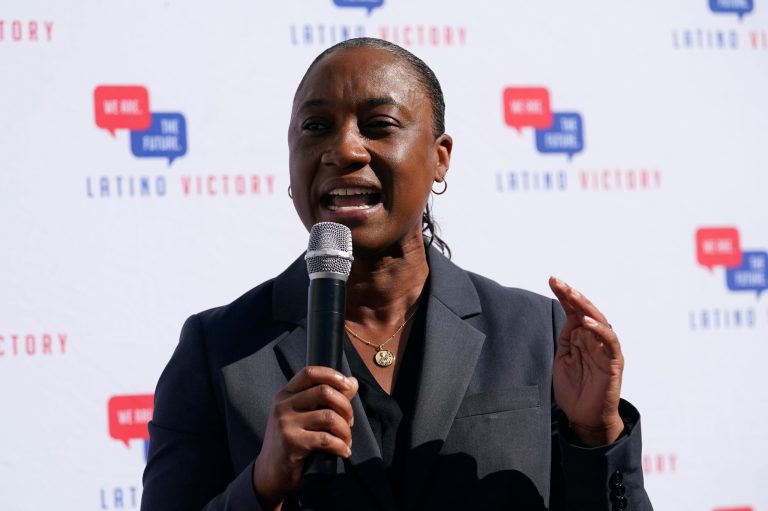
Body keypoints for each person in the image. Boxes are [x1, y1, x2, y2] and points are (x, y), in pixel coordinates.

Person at [141, 38, 653, 511]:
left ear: (439, 157)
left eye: (379, 125)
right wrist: (262, 484)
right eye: (316, 126)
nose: (343, 150)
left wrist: (595, 434)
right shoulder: (218, 350)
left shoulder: (534, 333)